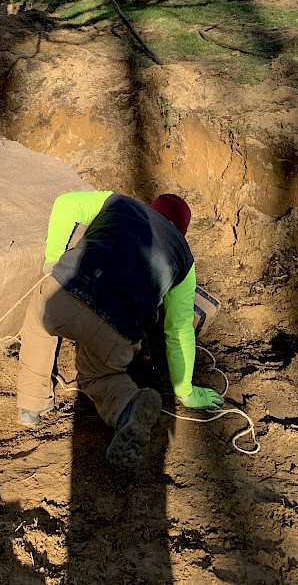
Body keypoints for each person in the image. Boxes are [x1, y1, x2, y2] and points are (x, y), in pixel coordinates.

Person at [16, 190, 224, 469]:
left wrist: (53, 260)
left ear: (151, 207)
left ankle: (32, 405)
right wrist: (186, 391)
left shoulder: (119, 202)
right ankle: (128, 407)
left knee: (38, 330)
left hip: (65, 295)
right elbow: (179, 331)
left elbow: (65, 203)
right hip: (119, 329)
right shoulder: (183, 260)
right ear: (181, 232)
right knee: (100, 376)